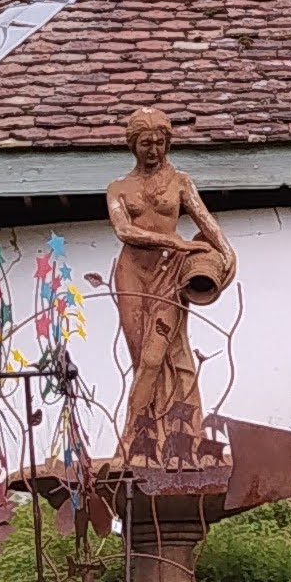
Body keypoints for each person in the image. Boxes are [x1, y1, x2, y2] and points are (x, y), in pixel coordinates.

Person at [105, 108, 235, 468]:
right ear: (133, 145)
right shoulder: (118, 188)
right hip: (132, 274)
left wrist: (226, 252)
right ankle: (149, 444)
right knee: (140, 361)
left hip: (169, 272)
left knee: (154, 358)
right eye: (145, 143)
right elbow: (123, 230)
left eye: (159, 143)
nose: (153, 150)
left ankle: (132, 440)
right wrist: (173, 241)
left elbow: (206, 222)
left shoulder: (180, 181)